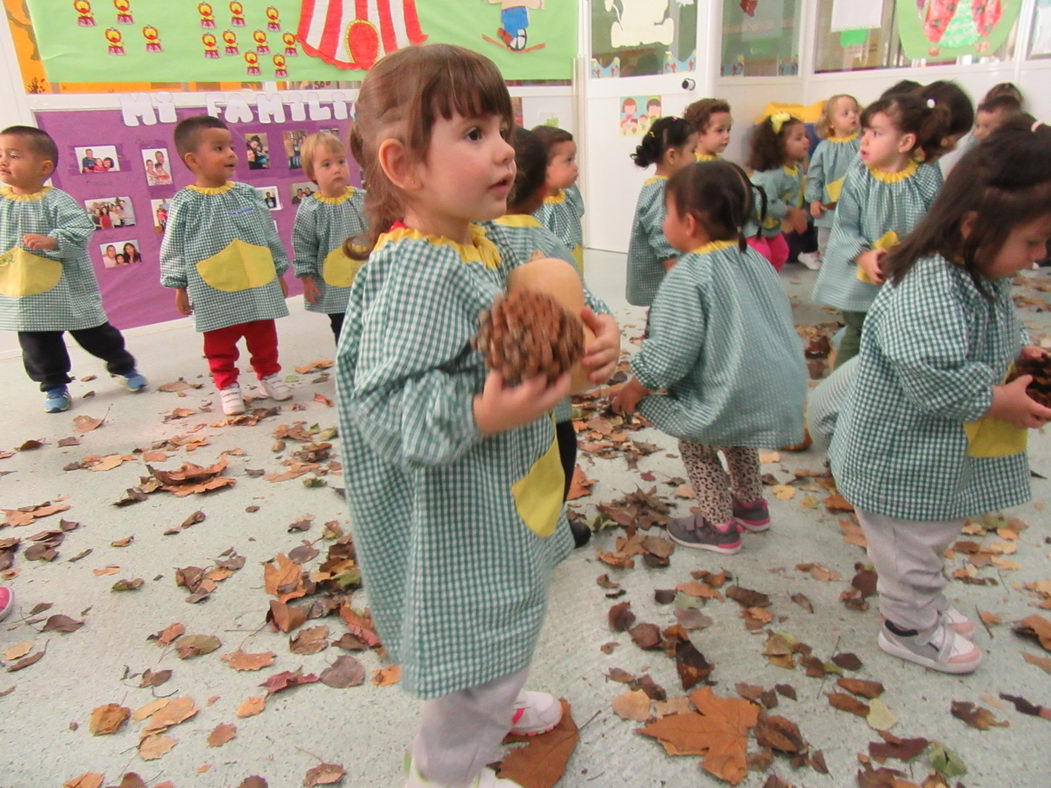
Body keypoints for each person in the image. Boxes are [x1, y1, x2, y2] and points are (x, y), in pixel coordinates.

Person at [336, 44, 618, 788]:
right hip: (455, 509)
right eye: (471, 135)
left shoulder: (479, 238)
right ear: (402, 166)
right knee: (475, 640)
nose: (502, 152)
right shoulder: (415, 274)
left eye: (501, 128)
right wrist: (484, 409)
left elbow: (545, 313)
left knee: (506, 616)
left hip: (500, 490)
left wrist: (594, 338)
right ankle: (441, 769)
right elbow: (389, 411)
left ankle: (497, 686)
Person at [828, 120, 1051, 674]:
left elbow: (997, 321)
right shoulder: (928, 283)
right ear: (973, 225)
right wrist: (998, 400)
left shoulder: (975, 269)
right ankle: (908, 627)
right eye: (1033, 241)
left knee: (930, 536)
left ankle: (922, 603)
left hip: (934, 451)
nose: (1040, 255)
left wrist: (1020, 350)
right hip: (900, 458)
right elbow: (929, 374)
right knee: (912, 548)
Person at [612, 160, 806, 552]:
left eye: (667, 213)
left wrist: (636, 386)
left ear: (688, 223)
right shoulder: (754, 259)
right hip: (769, 387)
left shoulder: (688, 275)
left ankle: (718, 526)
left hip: (725, 390)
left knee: (698, 445)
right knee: (738, 436)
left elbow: (672, 351)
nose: (663, 221)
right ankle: (751, 506)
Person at [484, 126, 620, 548]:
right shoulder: (543, 240)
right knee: (558, 451)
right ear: (543, 185)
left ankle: (520, 531)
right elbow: (586, 300)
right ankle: (553, 522)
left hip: (498, 394)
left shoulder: (482, 239)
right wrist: (606, 325)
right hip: (551, 390)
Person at [0, 125, 146, 412]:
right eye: (0, 154)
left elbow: (81, 229)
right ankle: (54, 386)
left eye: (14, 155)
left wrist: (53, 240)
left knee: (97, 334)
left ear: (44, 167)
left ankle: (123, 366)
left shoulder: (56, 200)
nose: (4, 160)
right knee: (38, 346)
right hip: (25, 291)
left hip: (68, 287)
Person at [160, 115, 291, 416]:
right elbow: (173, 247)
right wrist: (178, 285)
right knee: (219, 340)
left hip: (256, 281)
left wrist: (278, 270)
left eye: (230, 146)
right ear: (193, 160)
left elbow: (268, 233)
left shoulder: (246, 193)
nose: (231, 153)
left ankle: (268, 375)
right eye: (219, 148)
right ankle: (227, 383)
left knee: (264, 334)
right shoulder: (185, 202)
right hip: (212, 287)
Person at [811, 93, 948, 368]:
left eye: (876, 133)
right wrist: (863, 256)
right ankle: (841, 398)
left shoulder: (927, 175)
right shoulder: (859, 172)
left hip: (910, 279)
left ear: (905, 141)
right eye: (865, 131)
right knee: (858, 332)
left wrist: (911, 254)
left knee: (903, 338)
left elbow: (939, 225)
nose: (864, 140)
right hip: (862, 277)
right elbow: (844, 224)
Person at [291, 131, 369, 341]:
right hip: (335, 284)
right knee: (343, 327)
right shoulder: (310, 209)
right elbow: (304, 245)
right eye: (326, 165)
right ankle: (350, 367)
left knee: (375, 323)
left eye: (341, 162)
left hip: (368, 277)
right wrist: (306, 278)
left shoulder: (363, 199)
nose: (337, 169)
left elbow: (380, 232)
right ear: (312, 174)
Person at [626, 116, 697, 310]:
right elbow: (660, 231)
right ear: (672, 156)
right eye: (693, 151)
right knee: (663, 319)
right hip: (665, 279)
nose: (696, 158)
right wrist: (675, 270)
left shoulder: (669, 187)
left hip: (670, 278)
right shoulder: (662, 189)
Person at [799, 94, 860, 271]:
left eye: (855, 111)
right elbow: (815, 176)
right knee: (827, 243)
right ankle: (829, 271)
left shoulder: (861, 144)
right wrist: (814, 200)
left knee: (853, 240)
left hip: (856, 206)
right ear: (831, 123)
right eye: (845, 113)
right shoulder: (824, 148)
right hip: (828, 209)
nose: (852, 116)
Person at [746, 112, 810, 271]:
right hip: (752, 225)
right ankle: (754, 289)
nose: (806, 141)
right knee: (761, 256)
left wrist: (794, 214)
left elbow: (794, 195)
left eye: (806, 136)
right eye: (799, 138)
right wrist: (788, 212)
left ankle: (769, 287)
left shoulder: (796, 169)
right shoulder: (770, 176)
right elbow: (762, 203)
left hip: (770, 225)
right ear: (779, 144)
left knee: (780, 253)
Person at [531, 125, 584, 271]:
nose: (576, 167)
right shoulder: (535, 208)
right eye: (568, 160)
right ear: (542, 166)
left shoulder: (569, 194)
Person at [683, 98, 731, 162]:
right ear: (698, 134)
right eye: (720, 130)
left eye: (728, 130)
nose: (727, 136)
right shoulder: (689, 166)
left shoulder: (726, 164)